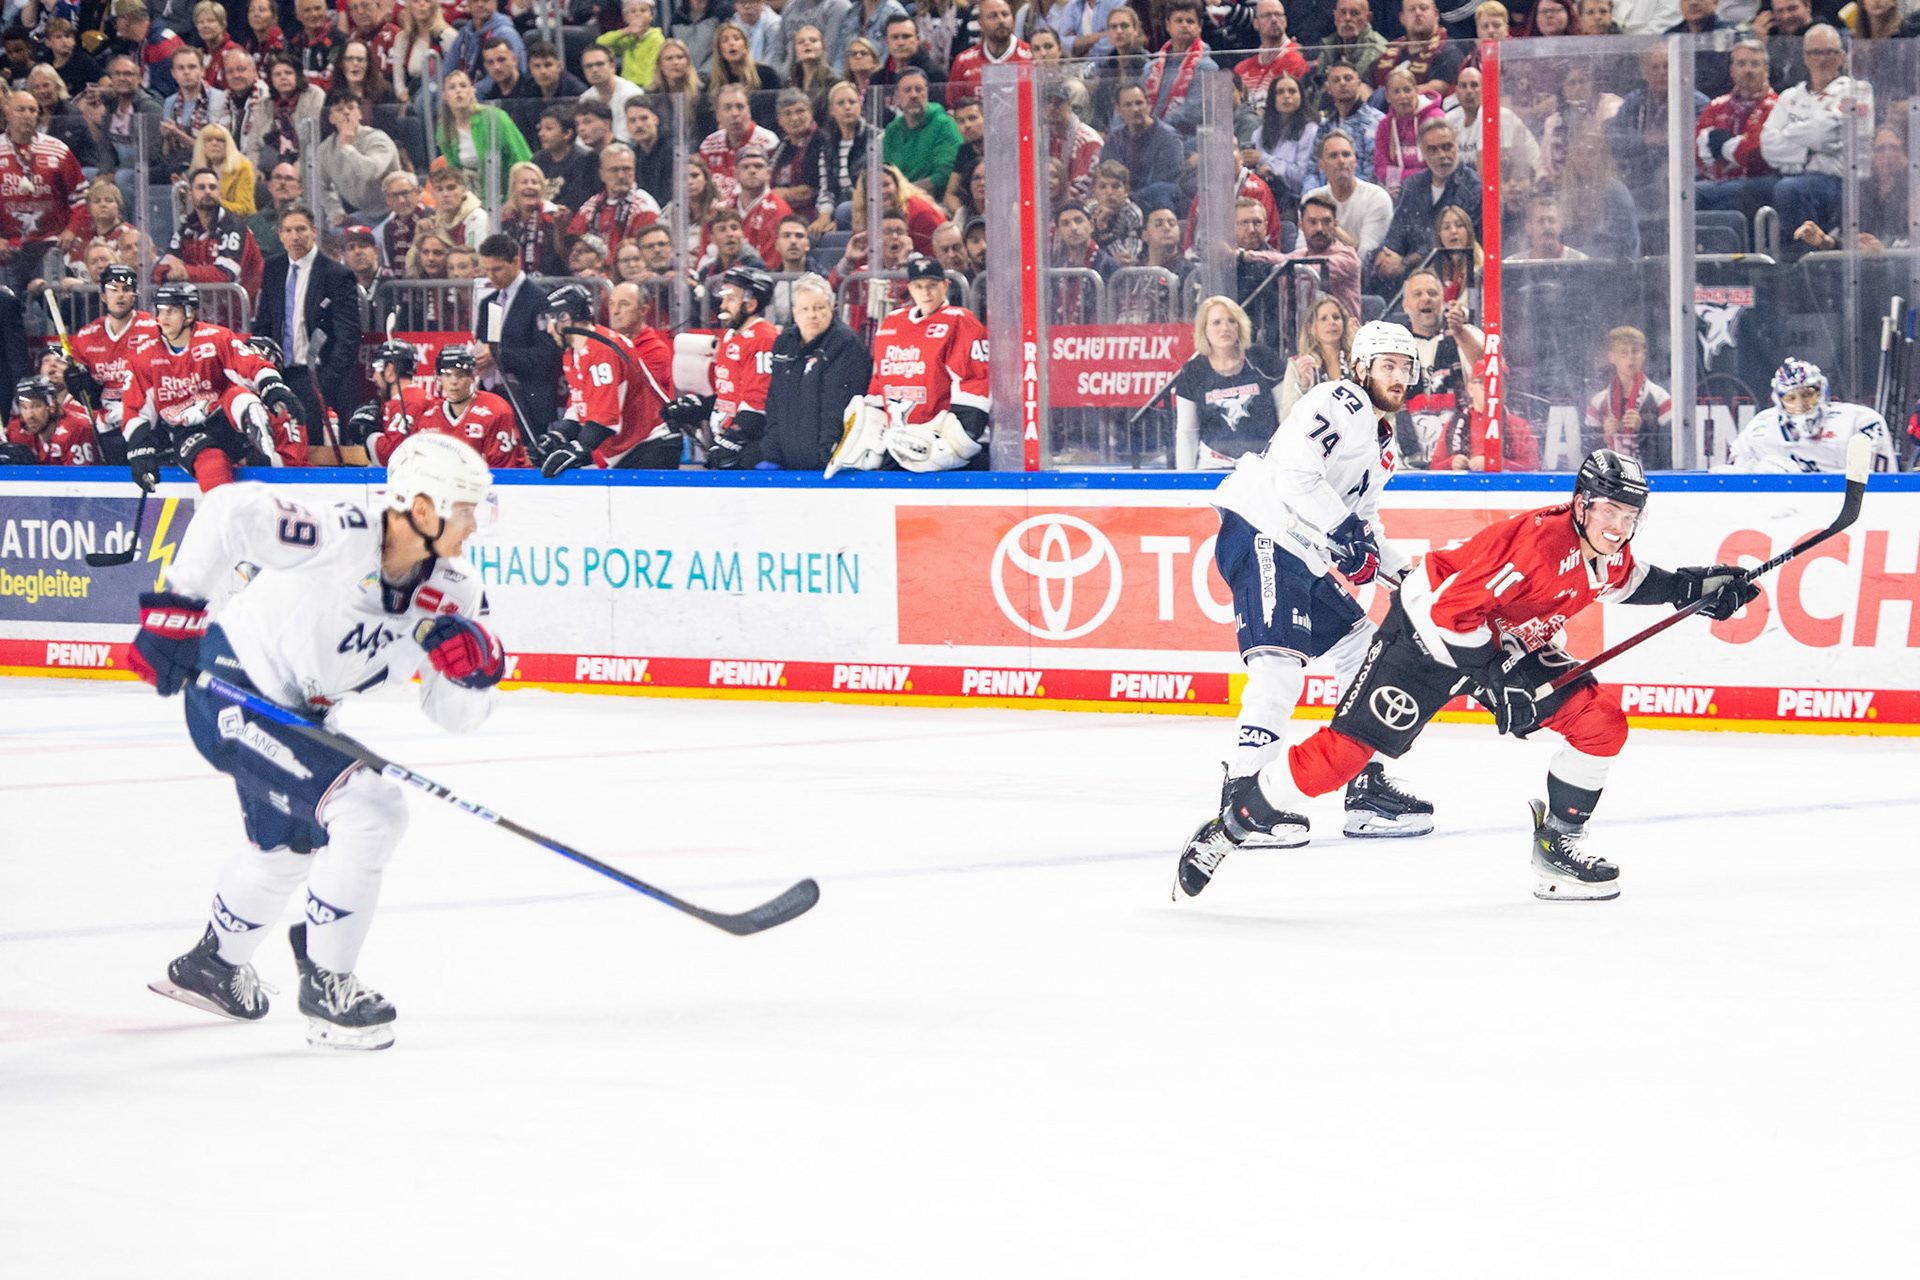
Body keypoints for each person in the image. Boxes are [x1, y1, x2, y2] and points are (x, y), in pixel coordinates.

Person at [1180, 447, 1761, 902]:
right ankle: (1231, 825)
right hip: (1427, 636)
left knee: (1601, 723)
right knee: (1344, 755)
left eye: (1629, 515)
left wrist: (1693, 587)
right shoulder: (1539, 544)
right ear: (1581, 504)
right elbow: (1448, 613)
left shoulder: (1605, 550)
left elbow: (1627, 581)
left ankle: (1559, 844)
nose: (1618, 525)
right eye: (1609, 510)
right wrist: (1494, 677)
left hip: (1499, 641)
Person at [139, 433, 504, 1050]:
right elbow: (228, 512)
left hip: (303, 711)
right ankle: (328, 984)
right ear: (421, 509)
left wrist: (475, 671)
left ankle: (212, 965)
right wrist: (175, 613)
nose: (476, 523)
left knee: (286, 851)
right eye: (466, 507)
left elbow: (457, 715)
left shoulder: (457, 590)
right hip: (231, 684)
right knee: (370, 811)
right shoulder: (339, 531)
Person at [1167, 320, 1438, 897]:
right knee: (1278, 664)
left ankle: (1363, 782)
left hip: (1305, 552)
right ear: (1361, 368)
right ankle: (1244, 789)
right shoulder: (1336, 399)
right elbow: (1295, 477)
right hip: (1264, 531)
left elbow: (1363, 524)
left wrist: (1409, 575)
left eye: (1405, 366)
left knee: (1364, 649)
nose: (1396, 375)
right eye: (1385, 364)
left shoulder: (1385, 443)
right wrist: (1348, 538)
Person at [123, 282, 307, 490]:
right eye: (160, 310)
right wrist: (140, 448)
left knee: (237, 393)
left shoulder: (216, 338)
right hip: (185, 430)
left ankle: (250, 415)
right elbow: (135, 409)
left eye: (172, 311)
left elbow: (251, 365)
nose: (163, 318)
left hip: (225, 421)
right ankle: (220, 514)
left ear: (190, 314)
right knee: (211, 462)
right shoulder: (144, 354)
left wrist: (273, 387)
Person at [830, 255, 989, 474]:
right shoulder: (893, 323)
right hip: (897, 445)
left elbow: (974, 382)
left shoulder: (960, 321)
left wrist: (958, 441)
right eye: (919, 286)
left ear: (945, 286)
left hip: (937, 447)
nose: (926, 292)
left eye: (932, 285)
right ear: (910, 288)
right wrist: (873, 427)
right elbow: (880, 381)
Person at [533, 282, 678, 472]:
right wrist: (558, 436)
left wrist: (578, 447)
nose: (549, 329)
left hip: (650, 446)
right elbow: (579, 408)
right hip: (628, 450)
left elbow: (605, 419)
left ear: (566, 318)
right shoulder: (573, 352)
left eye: (551, 320)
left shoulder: (602, 349)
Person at [253, 202, 364, 436]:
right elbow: (264, 322)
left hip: (317, 376)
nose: (295, 236)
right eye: (289, 230)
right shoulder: (273, 269)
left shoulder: (336, 274)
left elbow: (348, 334)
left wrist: (326, 378)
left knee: (314, 447)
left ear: (314, 231)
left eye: (301, 229)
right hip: (281, 374)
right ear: (280, 235)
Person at [1760, 23, 1869, 250]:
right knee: (1713, 193)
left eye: (1829, 52)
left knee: (1788, 189)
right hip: (1792, 178)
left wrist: (1788, 134)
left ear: (1841, 57)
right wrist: (1809, 147)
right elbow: (1768, 145)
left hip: (1840, 184)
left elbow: (1826, 131)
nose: (1822, 59)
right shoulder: (1790, 96)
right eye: (1815, 52)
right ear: (1805, 57)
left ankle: (1808, 262)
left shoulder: (1857, 91)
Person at [1170, 294, 1286, 471]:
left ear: (1240, 326)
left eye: (1231, 321)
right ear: (1204, 329)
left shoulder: (1263, 359)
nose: (1225, 328)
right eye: (1216, 322)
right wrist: (1184, 478)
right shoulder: (1192, 372)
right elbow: (1187, 432)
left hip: (1265, 466)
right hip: (1213, 466)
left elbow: (1287, 417)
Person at [1727, 357, 1896, 473]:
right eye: (1791, 398)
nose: (1801, 405)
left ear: (1822, 391)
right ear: (1778, 400)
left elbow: (1881, 484)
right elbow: (1731, 478)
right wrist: (1764, 475)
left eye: (1807, 394)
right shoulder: (1760, 426)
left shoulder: (1860, 421)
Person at [1372, 117, 1478, 292]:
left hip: (1452, 275)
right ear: (1422, 153)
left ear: (1456, 146)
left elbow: (1451, 243)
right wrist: (1387, 256)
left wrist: (1405, 262)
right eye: (1433, 149)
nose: (1442, 155)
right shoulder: (1412, 185)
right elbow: (1397, 233)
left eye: (1447, 147)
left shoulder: (1472, 189)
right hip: (1407, 277)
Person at [473, 233, 563, 435]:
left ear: (516, 261)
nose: (491, 276)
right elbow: (482, 343)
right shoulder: (487, 303)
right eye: (487, 270)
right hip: (491, 398)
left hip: (528, 401)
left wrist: (498, 356)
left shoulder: (540, 299)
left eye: (497, 269)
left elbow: (546, 356)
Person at [64, 263, 158, 453]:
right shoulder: (85, 337)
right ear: (103, 296)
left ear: (134, 295)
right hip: (106, 427)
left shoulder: (154, 329)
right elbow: (86, 394)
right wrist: (77, 383)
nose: (121, 294)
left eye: (127, 289)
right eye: (113, 289)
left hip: (147, 421)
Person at [0, 90, 87, 294]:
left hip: (51, 246)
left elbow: (82, 197)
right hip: (8, 250)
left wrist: (71, 230)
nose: (27, 114)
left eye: (32, 110)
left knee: (53, 308)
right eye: (21, 109)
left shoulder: (57, 149)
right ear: (7, 114)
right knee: (10, 310)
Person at [1695, 39, 1779, 221]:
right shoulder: (1716, 106)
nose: (1748, 70)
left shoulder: (1778, 106)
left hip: (1758, 186)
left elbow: (1757, 155)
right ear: (1732, 70)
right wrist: (1736, 148)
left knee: (1698, 195)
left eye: (1755, 64)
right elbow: (1695, 153)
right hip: (1715, 184)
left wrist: (1722, 147)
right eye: (1741, 64)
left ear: (1766, 70)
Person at [406, 343, 527, 467]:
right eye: (447, 374)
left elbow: (503, 469)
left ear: (472, 376)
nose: (453, 382)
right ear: (438, 378)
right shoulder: (428, 417)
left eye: (460, 374)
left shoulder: (496, 409)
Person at [157, 166, 265, 300]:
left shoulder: (234, 226)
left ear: (219, 193)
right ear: (190, 195)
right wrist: (168, 272)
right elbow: (159, 270)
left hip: (242, 314)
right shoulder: (187, 229)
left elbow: (225, 275)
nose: (207, 192)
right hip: (208, 313)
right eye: (201, 187)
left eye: (212, 187)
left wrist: (184, 272)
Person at [437, 68, 532, 208]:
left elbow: (520, 158)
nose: (458, 91)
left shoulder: (495, 117)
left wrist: (513, 198)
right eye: (452, 87)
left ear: (472, 91)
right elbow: (454, 173)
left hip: (505, 197)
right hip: (471, 201)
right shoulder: (443, 131)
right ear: (445, 96)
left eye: (463, 86)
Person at [1582, 325, 1671, 468]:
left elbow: (1671, 452)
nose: (1631, 358)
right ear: (1612, 357)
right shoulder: (1598, 402)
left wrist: (1645, 428)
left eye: (1635, 352)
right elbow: (1585, 451)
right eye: (1624, 353)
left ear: (1643, 355)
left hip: (1649, 479)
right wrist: (1603, 436)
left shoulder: (1661, 398)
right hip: (1610, 481)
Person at [1303, 128, 1392, 264]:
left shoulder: (1377, 197)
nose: (1341, 161)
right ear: (1321, 165)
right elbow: (1302, 251)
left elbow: (1366, 256)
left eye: (1346, 155)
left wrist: (1333, 228)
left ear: (1355, 161)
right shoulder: (1311, 199)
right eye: (1333, 156)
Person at [314, 92, 399, 226]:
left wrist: (347, 147)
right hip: (362, 214)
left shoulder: (377, 138)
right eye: (339, 109)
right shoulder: (325, 149)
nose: (346, 112)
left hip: (394, 211)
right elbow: (320, 187)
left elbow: (370, 172)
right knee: (336, 230)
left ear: (359, 114)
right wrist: (336, 212)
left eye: (351, 107)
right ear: (331, 118)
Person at [345, 339, 435, 463]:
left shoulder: (406, 402)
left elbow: (389, 457)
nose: (375, 377)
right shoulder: (415, 397)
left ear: (389, 370)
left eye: (376, 368)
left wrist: (370, 434)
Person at [879, 68, 959, 200]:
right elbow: (887, 172)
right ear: (897, 97)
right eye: (907, 90)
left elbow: (945, 175)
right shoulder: (892, 129)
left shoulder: (945, 124)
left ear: (927, 92)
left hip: (934, 201)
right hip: (897, 199)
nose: (914, 95)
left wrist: (905, 192)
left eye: (919, 89)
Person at [569, 141, 663, 252]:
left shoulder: (644, 206)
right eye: (614, 170)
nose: (621, 175)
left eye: (627, 169)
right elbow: (573, 246)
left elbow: (644, 254)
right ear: (602, 175)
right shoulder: (591, 206)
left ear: (634, 172)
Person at [1142, 0, 1217, 136]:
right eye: (1179, 21)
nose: (1184, 25)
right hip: (1148, 136)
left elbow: (1193, 112)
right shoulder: (1150, 68)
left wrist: (1155, 128)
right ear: (1168, 25)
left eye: (1190, 21)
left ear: (1199, 27)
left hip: (1187, 140)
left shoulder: (1207, 67)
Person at [1278, 293, 1353, 419]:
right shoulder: (1297, 365)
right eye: (1323, 318)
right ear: (1312, 326)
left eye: (1336, 317)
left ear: (1344, 323)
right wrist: (1303, 386)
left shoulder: (1356, 360)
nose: (1331, 322)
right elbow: (1286, 418)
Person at [1375, 0, 1462, 98]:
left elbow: (1439, 87)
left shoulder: (1448, 49)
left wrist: (1394, 95)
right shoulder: (1388, 51)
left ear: (1436, 14)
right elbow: (1366, 83)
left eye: (1423, 8)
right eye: (1412, 9)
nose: (1418, 13)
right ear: (1402, 18)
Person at [6, 374, 98, 464]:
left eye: (36, 406)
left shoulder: (77, 429)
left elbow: (79, 477)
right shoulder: (16, 431)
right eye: (24, 407)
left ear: (52, 405)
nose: (30, 415)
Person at [947, 0, 1028, 101]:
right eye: (993, 16)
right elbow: (952, 108)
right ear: (980, 24)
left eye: (1005, 14)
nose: (1001, 20)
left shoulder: (1030, 56)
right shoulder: (963, 62)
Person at [501, 160, 568, 274]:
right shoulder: (504, 220)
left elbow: (564, 255)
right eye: (524, 182)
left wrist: (560, 229)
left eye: (534, 182)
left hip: (551, 283)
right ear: (513, 188)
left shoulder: (554, 216)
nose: (530, 186)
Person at [446, 0, 524, 83]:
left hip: (495, 94)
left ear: (495, 3)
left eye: (485, 1)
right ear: (468, 4)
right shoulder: (464, 33)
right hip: (465, 90)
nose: (480, 5)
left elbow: (507, 76)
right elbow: (448, 69)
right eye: (475, 1)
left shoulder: (506, 33)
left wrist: (471, 93)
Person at [1316, 0, 1386, 87]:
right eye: (1343, 13)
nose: (1347, 18)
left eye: (1354, 13)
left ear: (1368, 18)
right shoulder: (1328, 46)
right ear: (1335, 16)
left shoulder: (1379, 51)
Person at [599, 0, 666, 88]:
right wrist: (625, 31)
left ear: (651, 16)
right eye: (633, 11)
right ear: (625, 17)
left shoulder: (656, 38)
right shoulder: (626, 39)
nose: (638, 14)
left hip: (646, 88)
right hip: (626, 86)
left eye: (643, 10)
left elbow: (652, 68)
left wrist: (647, 90)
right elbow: (601, 43)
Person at [1507, 191, 1587, 261]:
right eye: (1541, 221)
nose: (1547, 226)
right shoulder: (1514, 264)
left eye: (1552, 220)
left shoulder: (1580, 262)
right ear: (1529, 228)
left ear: (1560, 226)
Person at [285, 0, 340, 93]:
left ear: (326, 10)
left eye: (317, 8)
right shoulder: (294, 44)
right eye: (307, 10)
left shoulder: (338, 41)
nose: (314, 14)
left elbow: (331, 78)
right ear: (298, 15)